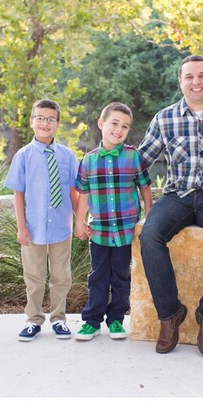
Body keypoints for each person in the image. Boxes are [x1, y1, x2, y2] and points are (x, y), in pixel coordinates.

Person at [137, 54, 203, 358]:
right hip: (176, 195)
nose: (195, 82)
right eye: (189, 77)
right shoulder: (165, 118)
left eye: (201, 76)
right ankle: (170, 314)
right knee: (150, 235)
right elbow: (140, 162)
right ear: (180, 81)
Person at [73, 102, 153, 341]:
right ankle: (91, 321)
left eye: (125, 126)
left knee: (121, 275)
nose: (119, 130)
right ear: (101, 123)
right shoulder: (88, 160)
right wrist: (79, 221)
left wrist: (149, 212)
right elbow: (83, 194)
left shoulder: (132, 156)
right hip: (98, 230)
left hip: (126, 230)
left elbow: (145, 186)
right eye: (114, 123)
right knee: (98, 275)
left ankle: (117, 319)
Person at [5, 98, 80, 342]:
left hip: (61, 227)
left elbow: (73, 192)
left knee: (61, 276)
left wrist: (80, 220)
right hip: (33, 228)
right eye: (40, 118)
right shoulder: (23, 156)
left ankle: (59, 319)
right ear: (31, 121)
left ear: (57, 124)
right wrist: (21, 227)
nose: (44, 123)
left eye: (50, 119)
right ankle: (33, 319)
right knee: (34, 277)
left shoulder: (68, 156)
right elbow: (19, 193)